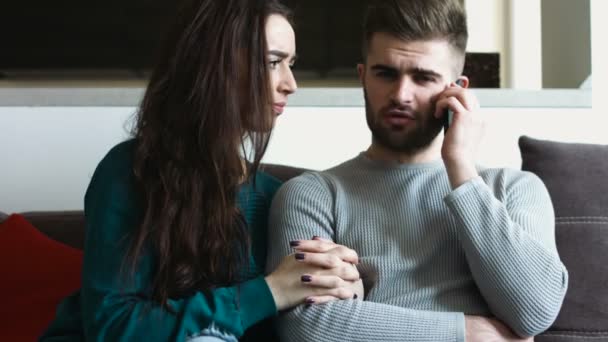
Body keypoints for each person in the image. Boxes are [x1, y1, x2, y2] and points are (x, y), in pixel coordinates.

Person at [40, 0, 361, 341]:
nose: (290, 84)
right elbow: (112, 326)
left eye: (291, 64)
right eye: (272, 63)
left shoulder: (278, 196)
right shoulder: (130, 173)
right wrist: (268, 293)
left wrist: (344, 285)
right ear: (214, 65)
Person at [266, 0, 569, 341]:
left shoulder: (514, 188)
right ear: (363, 77)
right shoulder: (312, 194)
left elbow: (534, 312)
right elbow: (308, 327)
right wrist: (469, 333)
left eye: (423, 77)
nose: (401, 95)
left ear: (457, 90)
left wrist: (460, 168)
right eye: (386, 73)